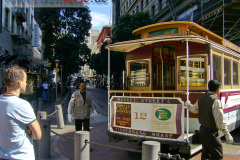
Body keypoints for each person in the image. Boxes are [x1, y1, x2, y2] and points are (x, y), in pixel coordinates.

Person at [0, 65, 42, 160]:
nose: (26, 83)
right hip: (21, 156)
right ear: (19, 83)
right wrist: (29, 130)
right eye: (25, 80)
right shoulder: (22, 105)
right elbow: (38, 135)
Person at [185, 80, 233, 160]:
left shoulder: (201, 98)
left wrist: (188, 105)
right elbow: (219, 119)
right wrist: (226, 133)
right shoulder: (215, 101)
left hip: (203, 130)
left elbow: (194, 110)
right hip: (211, 132)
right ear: (218, 89)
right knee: (218, 155)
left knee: (206, 153)